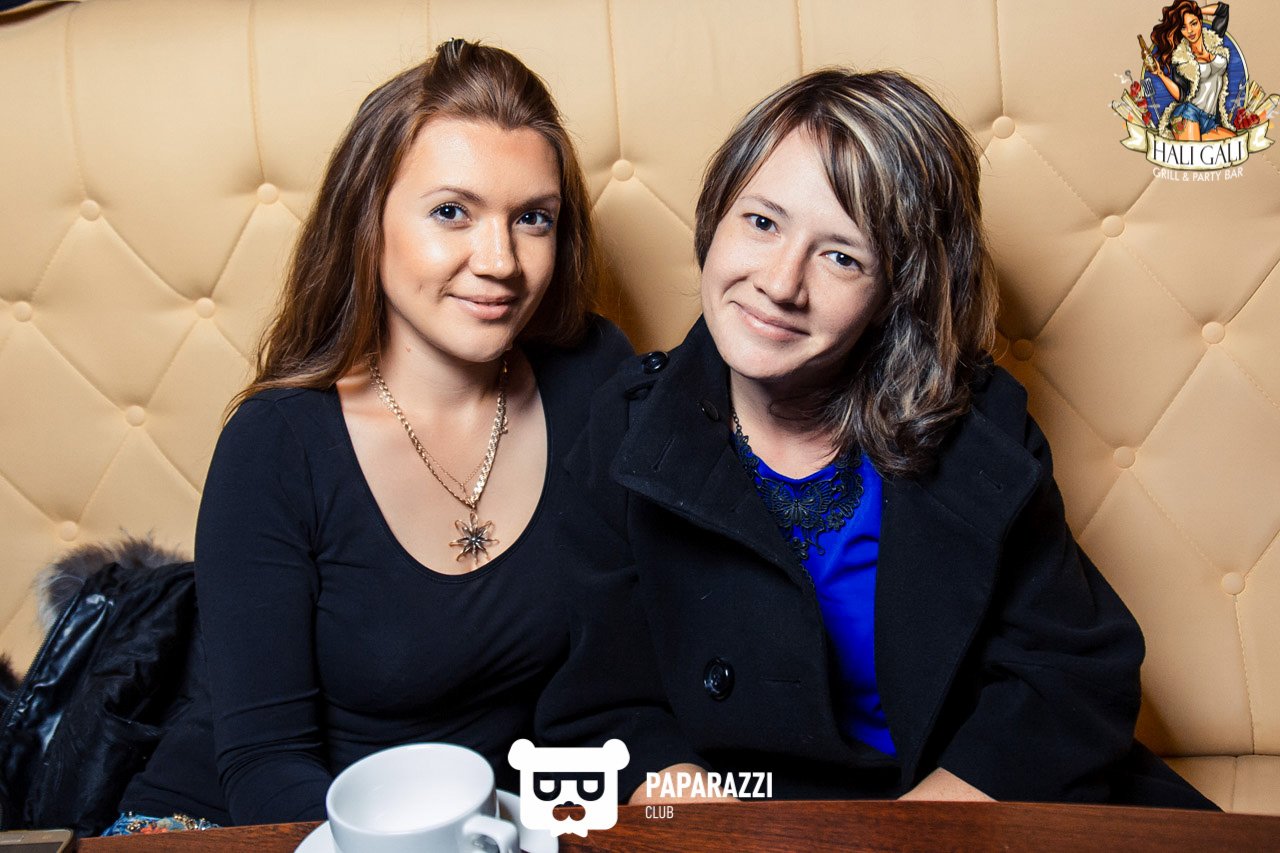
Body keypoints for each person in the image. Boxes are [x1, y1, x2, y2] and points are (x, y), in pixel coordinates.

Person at [537, 68, 1216, 808]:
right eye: (762, 222)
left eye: (841, 256)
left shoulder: (976, 427)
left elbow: (1068, 673)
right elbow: (606, 708)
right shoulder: (625, 431)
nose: (780, 283)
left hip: (962, 806)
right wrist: (722, 829)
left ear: (899, 292)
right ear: (716, 216)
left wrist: (919, 835)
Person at [111, 38, 631, 830]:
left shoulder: (594, 377)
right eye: (452, 212)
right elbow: (263, 763)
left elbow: (636, 663)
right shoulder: (276, 444)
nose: (500, 261)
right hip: (238, 828)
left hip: (476, 830)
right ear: (368, 221)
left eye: (533, 218)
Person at [1145, 2, 1235, 140]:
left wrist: (1197, 11)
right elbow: (1181, 95)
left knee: (1234, 141)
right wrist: (1160, 74)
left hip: (1210, 121)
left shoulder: (1214, 40)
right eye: (1184, 27)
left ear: (1200, 21)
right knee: (1192, 151)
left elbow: (1223, 10)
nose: (1190, 31)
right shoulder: (1182, 60)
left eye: (1193, 23)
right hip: (1188, 113)